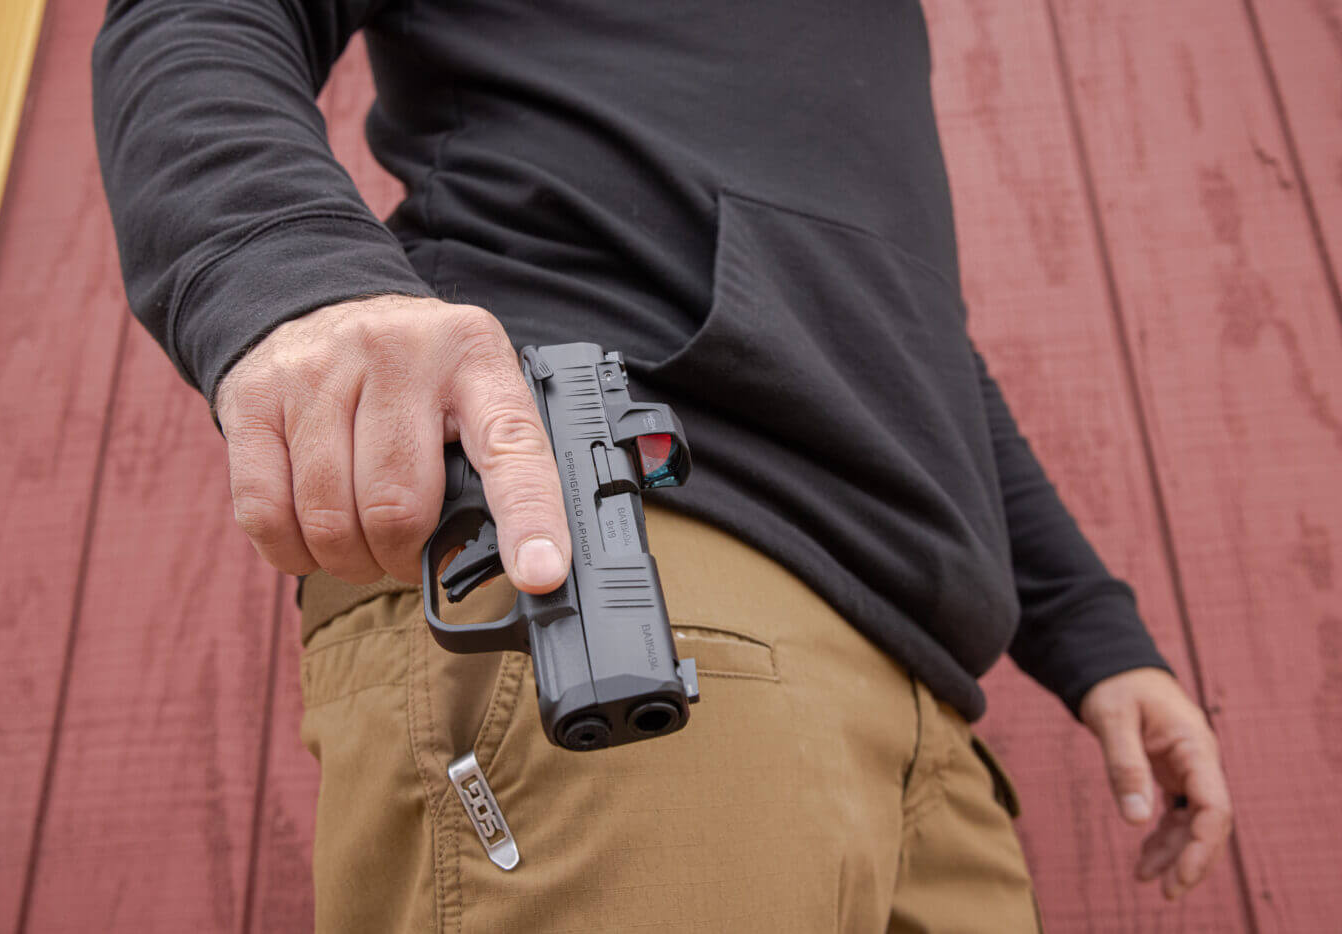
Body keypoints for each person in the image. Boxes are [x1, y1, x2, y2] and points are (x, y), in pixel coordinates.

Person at [92, 0, 1233, 930]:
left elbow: (902, 334)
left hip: (932, 723)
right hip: (621, 569)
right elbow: (199, 13)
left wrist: (1093, 637)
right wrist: (290, 276)